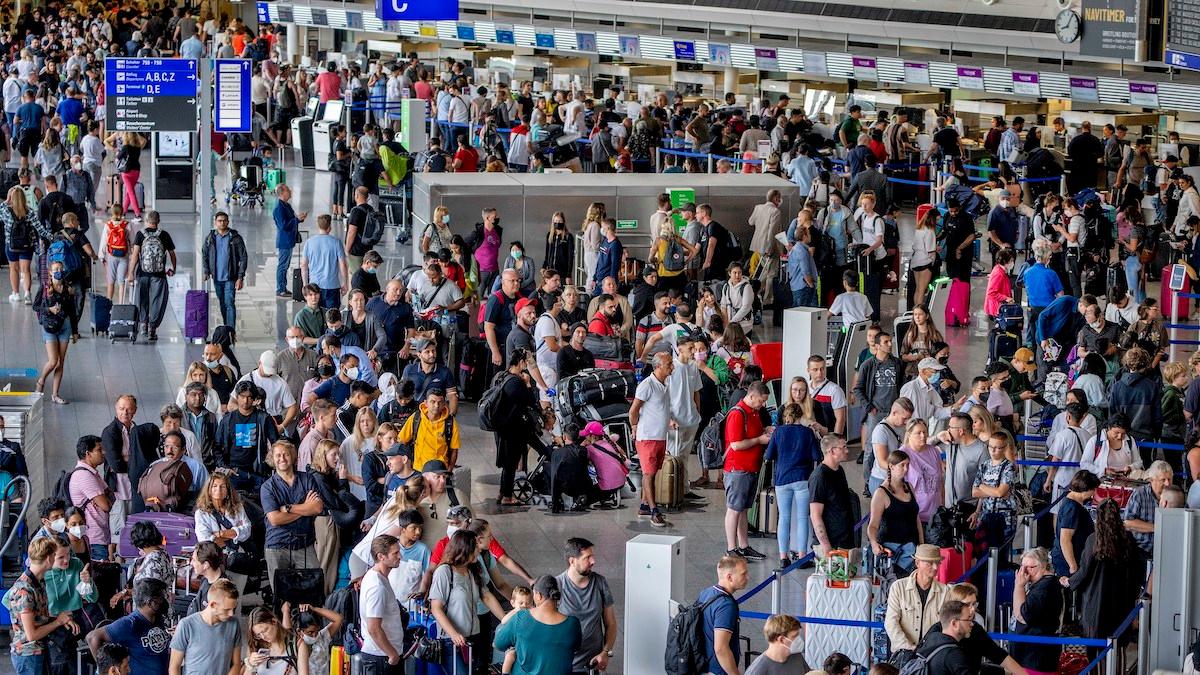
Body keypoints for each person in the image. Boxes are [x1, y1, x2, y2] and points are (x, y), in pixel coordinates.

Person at [1067, 499, 1147, 643]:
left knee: (1095, 646)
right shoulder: (1128, 539)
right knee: (1118, 643)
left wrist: (1069, 581)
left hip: (1096, 600)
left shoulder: (1093, 540)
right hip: (1122, 600)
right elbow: (1137, 571)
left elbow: (1084, 571)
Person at [429, 530, 507, 673]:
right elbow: (436, 608)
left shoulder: (472, 570)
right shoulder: (444, 572)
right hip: (450, 641)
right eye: (475, 547)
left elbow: (487, 596)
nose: (478, 549)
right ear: (465, 549)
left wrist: (506, 620)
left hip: (472, 637)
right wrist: (453, 634)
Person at [765, 405, 822, 567]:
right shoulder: (807, 432)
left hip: (782, 479)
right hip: (803, 478)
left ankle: (783, 557)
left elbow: (769, 455)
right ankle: (803, 556)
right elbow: (816, 456)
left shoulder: (778, 432)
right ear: (801, 415)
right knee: (803, 517)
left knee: (784, 517)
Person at [261, 440, 323, 588]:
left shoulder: (307, 478)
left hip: (304, 543)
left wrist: (288, 508)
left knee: (312, 588)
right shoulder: (267, 487)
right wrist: (304, 508)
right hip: (277, 545)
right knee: (282, 595)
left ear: (293, 456)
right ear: (272, 459)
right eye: (278, 455)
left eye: (286, 454)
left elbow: (317, 508)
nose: (282, 458)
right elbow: (275, 519)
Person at [7, 537, 74, 675]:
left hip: (39, 651)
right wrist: (58, 622)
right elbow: (31, 634)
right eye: (55, 555)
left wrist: (61, 618)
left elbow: (39, 616)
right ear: (49, 558)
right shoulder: (24, 591)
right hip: (28, 654)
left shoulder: (38, 582)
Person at [493, 575, 582, 675]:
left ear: (538, 596)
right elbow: (576, 648)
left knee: (503, 638)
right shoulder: (573, 624)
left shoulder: (520, 617)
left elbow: (498, 644)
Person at [556, 537, 618, 674]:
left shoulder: (600, 583)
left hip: (591, 665)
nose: (593, 561)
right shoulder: (557, 586)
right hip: (564, 666)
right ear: (572, 561)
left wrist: (606, 652)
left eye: (592, 556)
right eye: (587, 557)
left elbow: (611, 623)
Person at [86, 578, 171, 673]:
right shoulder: (130, 624)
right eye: (161, 597)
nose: (164, 600)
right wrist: (105, 670)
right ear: (150, 602)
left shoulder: (157, 617)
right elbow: (92, 637)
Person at [630, 352, 675, 528]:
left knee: (653, 473)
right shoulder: (646, 385)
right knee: (648, 474)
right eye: (668, 364)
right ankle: (654, 511)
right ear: (657, 366)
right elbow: (633, 410)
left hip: (660, 436)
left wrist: (669, 420)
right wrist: (634, 426)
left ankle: (644, 506)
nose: (672, 367)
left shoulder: (665, 384)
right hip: (647, 437)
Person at [884, 544, 950, 654]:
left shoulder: (945, 591)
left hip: (932, 655)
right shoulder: (898, 587)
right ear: (917, 563)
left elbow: (946, 627)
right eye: (930, 563)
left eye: (937, 562)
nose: (935, 567)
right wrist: (908, 647)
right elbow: (891, 622)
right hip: (902, 653)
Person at [167, 579, 241, 675]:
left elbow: (236, 664)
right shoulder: (186, 625)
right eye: (227, 610)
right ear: (212, 605)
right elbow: (174, 667)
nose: (231, 614)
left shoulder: (234, 624)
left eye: (233, 609)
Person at [359, 534, 409, 674]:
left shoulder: (377, 577)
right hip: (381, 658)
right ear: (381, 556)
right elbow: (374, 628)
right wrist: (392, 654)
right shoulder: (377, 586)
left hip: (383, 655)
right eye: (395, 553)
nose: (400, 556)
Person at [1010, 547, 1064, 674]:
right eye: (1022, 567)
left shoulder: (1045, 587)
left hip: (1035, 657)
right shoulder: (1042, 584)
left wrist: (1019, 586)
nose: (1024, 572)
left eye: (1030, 567)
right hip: (1030, 655)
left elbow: (1023, 615)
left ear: (1044, 566)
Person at [868, 450, 923, 572]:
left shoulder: (909, 487)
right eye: (902, 465)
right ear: (891, 466)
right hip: (892, 551)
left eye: (908, 465)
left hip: (912, 548)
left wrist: (921, 544)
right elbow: (873, 525)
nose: (906, 469)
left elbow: (916, 519)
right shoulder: (881, 493)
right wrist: (873, 543)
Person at [126, 210, 177, 342]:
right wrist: (173, 268)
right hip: (159, 275)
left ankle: (143, 325)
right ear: (158, 221)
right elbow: (172, 254)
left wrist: (131, 273)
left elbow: (135, 255)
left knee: (141, 299)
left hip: (142, 274)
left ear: (146, 220)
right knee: (157, 301)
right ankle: (152, 329)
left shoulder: (140, 234)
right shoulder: (164, 235)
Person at [697, 555, 749, 675]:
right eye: (743, 574)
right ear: (729, 577)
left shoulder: (706, 593)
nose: (747, 577)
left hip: (703, 665)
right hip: (718, 670)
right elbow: (721, 649)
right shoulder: (726, 605)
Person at [809, 434, 856, 555]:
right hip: (831, 543)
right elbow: (815, 515)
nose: (847, 450)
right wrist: (826, 546)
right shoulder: (819, 477)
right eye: (843, 447)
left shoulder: (839, 470)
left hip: (844, 540)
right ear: (832, 451)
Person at [34, 261, 73, 405]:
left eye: (61, 269)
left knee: (60, 362)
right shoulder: (44, 288)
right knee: (53, 360)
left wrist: (74, 331)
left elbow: (71, 310)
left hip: (64, 326)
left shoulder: (67, 288)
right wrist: (49, 309)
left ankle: (55, 394)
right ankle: (41, 381)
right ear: (50, 272)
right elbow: (36, 306)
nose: (59, 271)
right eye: (56, 269)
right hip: (49, 327)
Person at [1052, 470, 1100, 576]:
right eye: (1093, 489)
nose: (1094, 493)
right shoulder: (1072, 508)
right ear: (1085, 489)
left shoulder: (1073, 503)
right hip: (1068, 562)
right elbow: (1065, 540)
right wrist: (1073, 566)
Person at [1123, 459, 1174, 554]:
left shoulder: (1175, 494)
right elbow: (1127, 522)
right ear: (1151, 480)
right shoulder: (1139, 494)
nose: (1167, 483)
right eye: (1163, 480)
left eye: (1169, 479)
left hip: (1167, 549)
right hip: (1141, 548)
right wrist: (1157, 528)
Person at [913, 600, 975, 675]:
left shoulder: (931, 641)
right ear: (954, 623)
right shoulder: (953, 654)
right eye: (968, 619)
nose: (972, 624)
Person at [302, 214, 350, 310]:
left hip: (314, 286)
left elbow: (304, 265)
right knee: (332, 315)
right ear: (329, 227)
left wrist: (305, 284)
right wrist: (345, 283)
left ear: (318, 226)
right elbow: (343, 265)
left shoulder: (309, 242)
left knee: (316, 314)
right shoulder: (336, 242)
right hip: (332, 285)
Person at [272, 184, 307, 298]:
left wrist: (299, 219)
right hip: (284, 241)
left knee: (285, 265)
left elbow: (291, 220)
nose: (290, 191)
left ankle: (283, 287)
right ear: (282, 193)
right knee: (282, 265)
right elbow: (283, 225)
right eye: (288, 190)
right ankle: (280, 288)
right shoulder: (279, 208)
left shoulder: (286, 205)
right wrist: (296, 219)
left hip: (289, 239)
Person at [744, 614, 809, 674]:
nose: (799, 640)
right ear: (781, 639)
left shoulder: (795, 655)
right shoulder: (758, 670)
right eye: (795, 636)